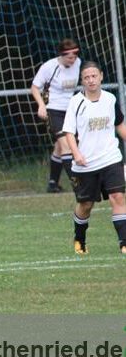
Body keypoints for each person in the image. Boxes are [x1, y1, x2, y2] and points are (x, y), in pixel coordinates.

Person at [62, 61, 126, 256]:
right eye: (86, 77)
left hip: (111, 158)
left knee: (118, 197)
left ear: (101, 76)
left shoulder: (109, 99)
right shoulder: (76, 102)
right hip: (86, 164)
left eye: (93, 76)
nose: (91, 80)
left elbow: (120, 124)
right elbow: (69, 133)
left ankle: (124, 243)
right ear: (82, 81)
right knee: (86, 205)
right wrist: (77, 154)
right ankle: (79, 239)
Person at [31, 38, 81, 193]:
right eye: (69, 57)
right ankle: (77, 185)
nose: (73, 60)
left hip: (71, 110)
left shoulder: (78, 63)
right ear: (62, 55)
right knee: (66, 145)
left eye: (75, 56)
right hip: (54, 110)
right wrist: (41, 105)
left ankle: (53, 183)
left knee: (60, 148)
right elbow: (34, 87)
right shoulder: (49, 66)